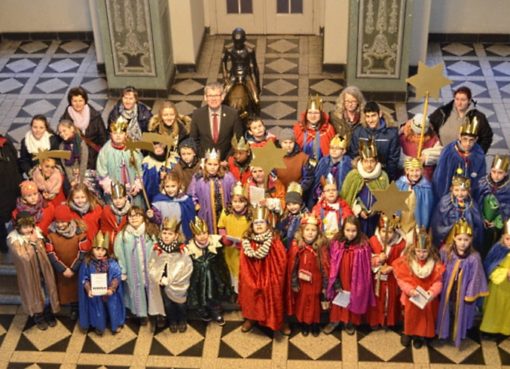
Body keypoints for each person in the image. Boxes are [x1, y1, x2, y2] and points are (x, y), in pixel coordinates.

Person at [436, 218, 488, 348]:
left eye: (466, 240)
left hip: (463, 292)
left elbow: (476, 277)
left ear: (471, 240)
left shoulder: (474, 258)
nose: (463, 243)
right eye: (459, 239)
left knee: (460, 313)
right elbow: (438, 268)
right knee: (446, 310)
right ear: (454, 238)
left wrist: (470, 294)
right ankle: (443, 333)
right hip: (448, 289)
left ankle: (457, 335)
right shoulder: (446, 252)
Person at [392, 227, 445, 349]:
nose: (421, 254)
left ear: (429, 250)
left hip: (426, 298)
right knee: (409, 316)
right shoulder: (407, 262)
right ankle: (408, 332)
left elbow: (438, 282)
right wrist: (409, 290)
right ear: (414, 249)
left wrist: (431, 293)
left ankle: (418, 336)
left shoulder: (434, 264)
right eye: (419, 251)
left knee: (423, 318)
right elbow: (401, 280)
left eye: (424, 251)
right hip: (411, 296)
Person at [239, 206, 288, 333]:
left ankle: (278, 320)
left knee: (273, 291)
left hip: (271, 275)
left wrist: (273, 278)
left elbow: (281, 260)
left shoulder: (274, 240)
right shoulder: (247, 242)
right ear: (252, 225)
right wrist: (250, 279)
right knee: (251, 292)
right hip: (252, 276)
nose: (259, 225)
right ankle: (252, 318)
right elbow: (244, 264)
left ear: (267, 224)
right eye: (256, 223)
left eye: (262, 222)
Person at [7, 212, 60, 330]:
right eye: (25, 227)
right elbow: (23, 257)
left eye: (30, 226)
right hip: (29, 272)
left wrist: (37, 242)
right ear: (18, 227)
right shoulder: (14, 240)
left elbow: (43, 249)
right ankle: (38, 315)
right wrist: (32, 243)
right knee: (34, 292)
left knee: (46, 291)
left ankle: (48, 312)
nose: (29, 229)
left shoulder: (37, 233)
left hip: (42, 269)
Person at [324, 215, 375, 335]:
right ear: (343, 230)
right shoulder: (336, 243)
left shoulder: (363, 246)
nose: (351, 234)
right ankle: (335, 320)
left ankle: (349, 322)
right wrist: (335, 280)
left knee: (352, 298)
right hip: (340, 276)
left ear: (358, 230)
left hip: (355, 279)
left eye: (353, 231)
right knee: (338, 297)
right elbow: (332, 261)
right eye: (348, 230)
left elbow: (366, 266)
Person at [286, 213, 330, 337]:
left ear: (318, 232)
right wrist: (294, 282)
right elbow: (293, 267)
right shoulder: (297, 247)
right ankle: (304, 323)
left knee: (315, 305)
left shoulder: (321, 247)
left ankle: (315, 324)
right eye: (307, 230)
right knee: (303, 303)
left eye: (313, 230)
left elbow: (325, 267)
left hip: (316, 282)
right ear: (302, 231)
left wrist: (325, 285)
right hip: (302, 283)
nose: (310, 233)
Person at [114, 206, 158, 326]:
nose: (134, 218)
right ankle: (141, 313)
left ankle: (154, 313)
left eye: (137, 215)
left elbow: (157, 249)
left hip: (149, 268)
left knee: (152, 290)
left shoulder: (150, 231)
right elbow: (119, 254)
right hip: (133, 270)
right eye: (131, 216)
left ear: (143, 217)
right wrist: (123, 270)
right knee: (136, 291)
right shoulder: (123, 235)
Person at [148, 217, 193, 332]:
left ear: (176, 236)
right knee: (168, 304)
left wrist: (173, 280)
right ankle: (172, 320)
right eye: (164, 233)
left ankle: (182, 320)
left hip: (179, 285)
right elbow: (151, 265)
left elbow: (187, 268)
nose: (166, 236)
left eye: (170, 234)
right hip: (163, 284)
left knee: (180, 304)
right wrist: (158, 278)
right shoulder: (157, 249)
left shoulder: (182, 250)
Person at [46, 204, 90, 321]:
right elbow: (51, 254)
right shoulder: (51, 235)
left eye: (63, 222)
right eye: (58, 222)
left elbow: (83, 252)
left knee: (76, 290)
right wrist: (63, 269)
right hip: (61, 270)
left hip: (76, 269)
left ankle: (76, 309)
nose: (60, 225)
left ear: (69, 221)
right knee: (64, 290)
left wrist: (73, 269)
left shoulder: (80, 234)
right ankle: (65, 308)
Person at [185, 216, 231, 325]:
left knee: (214, 294)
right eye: (199, 234)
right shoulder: (190, 248)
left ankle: (216, 311)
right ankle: (203, 310)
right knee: (201, 294)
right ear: (194, 235)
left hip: (214, 275)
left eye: (204, 233)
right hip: (198, 277)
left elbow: (221, 260)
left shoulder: (215, 242)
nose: (202, 237)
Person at [78, 231, 125, 335]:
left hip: (109, 292)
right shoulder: (88, 263)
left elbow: (117, 276)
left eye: (103, 250)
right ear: (92, 249)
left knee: (112, 307)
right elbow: (84, 278)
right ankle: (99, 325)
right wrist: (88, 289)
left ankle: (115, 324)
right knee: (97, 309)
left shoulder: (112, 262)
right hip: (96, 293)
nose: (100, 252)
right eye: (97, 249)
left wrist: (112, 289)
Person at [341, 139, 389, 237]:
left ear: (376, 162)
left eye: (372, 161)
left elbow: (386, 199)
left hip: (375, 219)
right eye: (366, 161)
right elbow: (347, 197)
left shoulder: (383, 176)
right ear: (361, 161)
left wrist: (378, 208)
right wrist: (358, 209)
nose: (369, 165)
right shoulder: (353, 175)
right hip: (357, 218)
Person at [432, 117, 486, 199]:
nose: (468, 143)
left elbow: (481, 177)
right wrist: (443, 197)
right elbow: (440, 177)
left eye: (471, 140)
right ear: (459, 137)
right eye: (465, 139)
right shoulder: (448, 152)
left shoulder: (479, 154)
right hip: (450, 195)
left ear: (476, 139)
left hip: (468, 195)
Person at [367, 214, 406, 329]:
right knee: (377, 298)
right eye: (383, 231)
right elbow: (367, 258)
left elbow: (404, 260)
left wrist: (392, 267)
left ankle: (389, 320)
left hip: (392, 279)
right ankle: (376, 319)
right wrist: (378, 260)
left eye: (390, 232)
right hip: (377, 279)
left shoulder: (401, 244)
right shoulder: (373, 241)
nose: (386, 235)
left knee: (391, 300)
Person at [96, 119, 145, 208]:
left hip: (132, 189)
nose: (118, 136)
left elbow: (141, 170)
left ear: (126, 134)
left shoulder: (134, 149)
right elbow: (102, 174)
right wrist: (112, 189)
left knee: (136, 211)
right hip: (114, 193)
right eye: (115, 133)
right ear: (111, 135)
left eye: (121, 133)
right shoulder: (105, 151)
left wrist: (137, 185)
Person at [429, 86, 493, 153]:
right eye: (457, 99)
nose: (459, 103)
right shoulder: (443, 111)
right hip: (442, 154)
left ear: (469, 100)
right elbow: (430, 124)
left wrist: (478, 153)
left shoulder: (478, 117)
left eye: (463, 100)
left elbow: (487, 137)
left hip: (465, 157)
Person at [190, 81, 243, 161]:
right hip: (205, 162)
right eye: (210, 96)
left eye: (216, 95)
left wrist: (227, 160)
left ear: (222, 97)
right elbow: (194, 140)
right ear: (205, 97)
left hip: (226, 162)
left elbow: (237, 140)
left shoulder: (233, 114)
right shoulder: (197, 115)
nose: (213, 99)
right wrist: (204, 159)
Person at [188, 148, 236, 234]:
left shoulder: (227, 177)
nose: (212, 167)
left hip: (224, 212)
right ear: (205, 164)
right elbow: (191, 194)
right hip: (206, 212)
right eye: (209, 164)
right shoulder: (198, 178)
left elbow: (235, 191)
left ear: (219, 165)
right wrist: (196, 204)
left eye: (215, 164)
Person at [349, 101, 400, 181]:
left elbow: (393, 160)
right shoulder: (358, 132)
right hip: (362, 174)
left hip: (383, 174)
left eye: (373, 116)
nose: (370, 120)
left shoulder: (391, 134)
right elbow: (354, 155)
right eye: (367, 116)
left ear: (379, 114)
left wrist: (388, 180)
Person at [430, 173, 483, 249]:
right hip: (449, 239)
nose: (460, 194)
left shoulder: (473, 205)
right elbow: (437, 223)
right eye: (456, 190)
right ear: (452, 189)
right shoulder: (445, 202)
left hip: (465, 241)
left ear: (468, 190)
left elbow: (478, 227)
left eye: (463, 190)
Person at [61, 86, 107, 170]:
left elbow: (103, 136)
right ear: (70, 102)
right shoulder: (65, 119)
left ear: (85, 101)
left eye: (80, 100)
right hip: (76, 155)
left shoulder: (95, 116)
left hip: (94, 154)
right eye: (74, 101)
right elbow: (63, 140)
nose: (78, 104)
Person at [217, 182, 251, 293]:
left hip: (244, 249)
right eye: (235, 201)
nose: (237, 204)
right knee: (231, 269)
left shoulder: (250, 215)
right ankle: (234, 291)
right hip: (230, 249)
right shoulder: (226, 212)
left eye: (241, 202)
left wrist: (246, 243)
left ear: (246, 203)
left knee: (242, 270)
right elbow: (221, 226)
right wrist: (224, 238)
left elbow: (252, 231)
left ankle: (242, 292)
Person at [221, 27, 261, 119]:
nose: (238, 45)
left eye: (240, 42)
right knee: (222, 98)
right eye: (236, 42)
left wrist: (257, 84)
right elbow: (223, 61)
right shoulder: (229, 49)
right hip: (234, 76)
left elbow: (255, 67)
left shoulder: (250, 50)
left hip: (246, 76)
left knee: (256, 100)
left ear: (244, 40)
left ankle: (257, 118)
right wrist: (225, 74)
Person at [474, 155, 510, 255]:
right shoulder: (482, 183)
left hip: (498, 224)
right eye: (493, 171)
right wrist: (481, 217)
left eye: (500, 173)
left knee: (494, 244)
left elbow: (507, 208)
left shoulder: (508, 188)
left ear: (506, 173)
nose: (496, 176)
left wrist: (498, 221)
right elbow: (476, 202)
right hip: (482, 221)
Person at [480, 219, 510, 336]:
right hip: (498, 288)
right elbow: (489, 266)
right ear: (503, 237)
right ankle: (490, 330)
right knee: (494, 308)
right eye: (508, 238)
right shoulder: (498, 248)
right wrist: (505, 273)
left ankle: (506, 329)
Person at [395, 157, 435, 244]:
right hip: (400, 224)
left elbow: (427, 209)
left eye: (417, 170)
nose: (414, 173)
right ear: (406, 171)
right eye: (411, 170)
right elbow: (393, 203)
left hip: (415, 226)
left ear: (422, 171)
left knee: (411, 245)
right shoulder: (399, 184)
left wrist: (421, 225)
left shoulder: (426, 188)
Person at [149, 172, 196, 241]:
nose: (170, 190)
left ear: (179, 185)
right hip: (166, 237)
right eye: (167, 186)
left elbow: (191, 220)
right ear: (163, 186)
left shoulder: (185, 200)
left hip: (181, 235)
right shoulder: (158, 201)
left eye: (173, 186)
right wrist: (152, 216)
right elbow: (158, 220)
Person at [310, 134, 352, 209]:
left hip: (341, 202)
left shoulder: (348, 165)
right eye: (332, 148)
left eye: (337, 148)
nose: (333, 150)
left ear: (344, 151)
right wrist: (319, 193)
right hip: (323, 200)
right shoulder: (323, 162)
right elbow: (316, 182)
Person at [399, 113, 442, 181]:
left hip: (426, 179)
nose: (418, 135)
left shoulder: (433, 138)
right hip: (406, 178)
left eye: (420, 133)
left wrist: (425, 157)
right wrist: (410, 162)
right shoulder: (402, 138)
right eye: (416, 132)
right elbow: (396, 155)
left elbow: (439, 153)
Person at [293, 95, 336, 161]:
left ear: (321, 114)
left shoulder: (329, 129)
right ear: (306, 114)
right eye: (310, 112)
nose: (313, 116)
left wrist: (342, 138)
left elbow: (337, 142)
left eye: (316, 113)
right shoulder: (298, 128)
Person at [312, 174, 353, 240]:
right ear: (323, 194)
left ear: (337, 192)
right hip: (323, 239)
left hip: (339, 239)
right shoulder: (318, 208)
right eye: (328, 190)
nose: (331, 192)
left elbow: (349, 220)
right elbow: (313, 223)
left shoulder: (343, 206)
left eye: (334, 190)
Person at [0, 134, 22, 253]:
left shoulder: (6, 143)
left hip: (12, 190)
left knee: (15, 218)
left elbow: (16, 165)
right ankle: (3, 247)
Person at [274, 128, 314, 193]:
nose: (288, 145)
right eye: (285, 142)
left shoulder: (303, 157)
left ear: (294, 143)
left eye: (291, 142)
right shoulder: (275, 158)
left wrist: (299, 189)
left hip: (298, 193)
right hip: (279, 193)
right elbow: (272, 178)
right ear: (280, 143)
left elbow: (308, 177)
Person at [100, 182, 130, 254]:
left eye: (120, 198)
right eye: (115, 198)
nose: (118, 201)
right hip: (111, 245)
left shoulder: (131, 211)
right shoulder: (106, 211)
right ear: (111, 198)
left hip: (126, 244)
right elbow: (104, 229)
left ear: (126, 198)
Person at [277, 182, 308, 250]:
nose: (292, 207)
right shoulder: (286, 215)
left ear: (300, 202)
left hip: (298, 248)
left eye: (294, 203)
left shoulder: (305, 216)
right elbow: (280, 230)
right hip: (286, 247)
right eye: (289, 204)